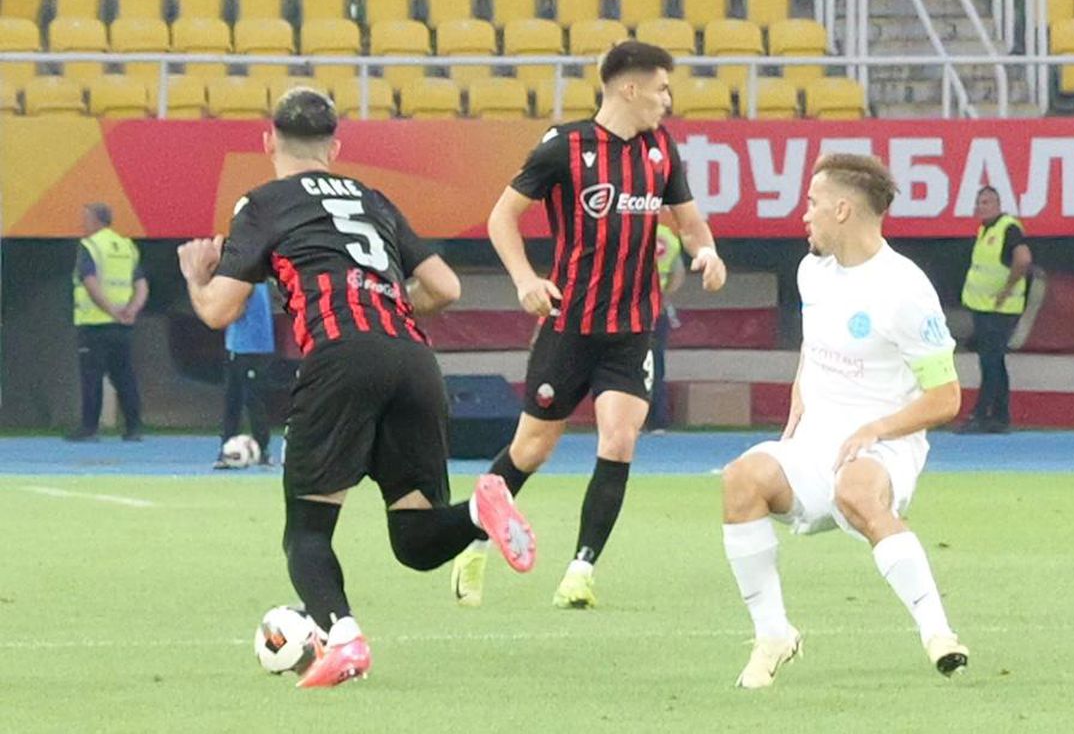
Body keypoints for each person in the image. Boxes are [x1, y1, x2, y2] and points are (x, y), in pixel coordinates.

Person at [176, 88, 536, 689]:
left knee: (306, 532)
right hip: (412, 359)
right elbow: (445, 287)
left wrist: (196, 275)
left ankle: (343, 639)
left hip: (340, 359)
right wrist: (384, 305)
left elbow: (218, 311)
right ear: (335, 148)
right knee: (416, 540)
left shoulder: (261, 203)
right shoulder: (374, 198)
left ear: (269, 142)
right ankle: (480, 508)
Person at [450, 40, 727, 610]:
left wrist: (709, 253)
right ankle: (474, 544)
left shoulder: (660, 151)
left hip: (633, 328)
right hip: (569, 324)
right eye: (661, 88)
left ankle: (581, 570)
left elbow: (693, 224)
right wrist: (526, 278)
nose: (667, 100)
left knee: (619, 441)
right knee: (531, 448)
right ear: (629, 87)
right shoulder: (564, 146)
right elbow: (502, 217)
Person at [719, 154, 968, 689]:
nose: (803, 215)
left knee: (857, 492)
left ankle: (938, 634)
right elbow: (815, 340)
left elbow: (946, 397)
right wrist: (798, 389)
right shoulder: (813, 271)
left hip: (883, 446)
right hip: (815, 445)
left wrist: (875, 430)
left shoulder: (905, 290)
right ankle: (773, 635)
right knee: (741, 478)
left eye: (811, 203)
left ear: (842, 209)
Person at [66, 202, 147, 442]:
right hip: (121, 326)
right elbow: (141, 284)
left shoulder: (90, 246)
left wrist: (111, 310)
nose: (82, 223)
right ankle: (134, 427)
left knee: (92, 376)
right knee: (124, 375)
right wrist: (131, 310)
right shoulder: (126, 246)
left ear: (95, 220)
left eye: (85, 218)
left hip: (94, 323)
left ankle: (89, 428)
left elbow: (90, 282)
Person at [957, 185, 1032, 434]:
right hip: (983, 307)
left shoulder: (1007, 228)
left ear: (999, 205)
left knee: (990, 362)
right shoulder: (984, 230)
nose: (981, 207)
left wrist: (1007, 290)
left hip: (1000, 308)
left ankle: (981, 414)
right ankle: (999, 416)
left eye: (987, 202)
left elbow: (1023, 259)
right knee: (993, 362)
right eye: (979, 202)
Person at [214, 281, 275, 468]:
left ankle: (263, 449)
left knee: (252, 400)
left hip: (252, 347)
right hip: (238, 346)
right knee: (233, 399)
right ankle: (227, 448)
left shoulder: (247, 281)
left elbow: (234, 309)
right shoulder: (252, 278)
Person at [646, 223, 685, 433]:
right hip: (657, 310)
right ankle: (657, 421)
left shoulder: (627, 229)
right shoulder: (667, 237)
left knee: (624, 366)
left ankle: (627, 419)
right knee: (656, 366)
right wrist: (664, 297)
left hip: (628, 310)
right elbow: (678, 274)